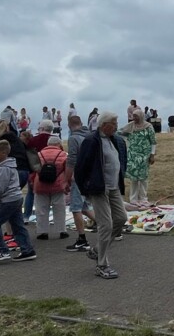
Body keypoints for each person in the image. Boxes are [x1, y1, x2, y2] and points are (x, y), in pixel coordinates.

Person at [74, 111, 128, 279]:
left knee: (120, 219)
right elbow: (80, 167)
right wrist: (86, 188)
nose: (117, 127)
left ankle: (97, 250)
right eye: (114, 124)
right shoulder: (91, 141)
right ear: (105, 125)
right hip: (99, 189)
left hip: (113, 188)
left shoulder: (113, 140)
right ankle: (102, 264)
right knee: (106, 225)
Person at [0, 140, 37, 265]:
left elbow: (0, 188)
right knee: (18, 225)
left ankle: (1, 251)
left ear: (3, 153)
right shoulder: (9, 166)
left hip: (8, 200)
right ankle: (27, 250)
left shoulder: (4, 168)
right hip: (16, 198)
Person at [64, 113, 93, 253]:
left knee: (76, 208)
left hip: (79, 176)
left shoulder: (73, 138)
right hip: (91, 175)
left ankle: (82, 239)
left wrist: (67, 179)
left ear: (69, 125)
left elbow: (71, 160)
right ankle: (109, 227)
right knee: (84, 206)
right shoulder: (90, 136)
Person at [33, 135, 69, 241]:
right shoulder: (63, 155)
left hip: (40, 184)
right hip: (58, 185)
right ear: (59, 144)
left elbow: (33, 170)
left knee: (41, 209)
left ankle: (42, 232)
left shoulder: (38, 155)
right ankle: (62, 230)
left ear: (47, 144)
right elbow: (68, 170)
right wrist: (68, 184)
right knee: (59, 208)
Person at [120, 109, 157, 205]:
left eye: (136, 116)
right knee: (134, 177)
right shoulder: (130, 126)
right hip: (133, 155)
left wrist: (152, 154)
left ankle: (143, 198)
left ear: (141, 116)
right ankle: (133, 199)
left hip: (145, 155)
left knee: (143, 177)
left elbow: (153, 141)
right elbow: (120, 133)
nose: (134, 118)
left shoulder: (148, 127)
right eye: (133, 116)